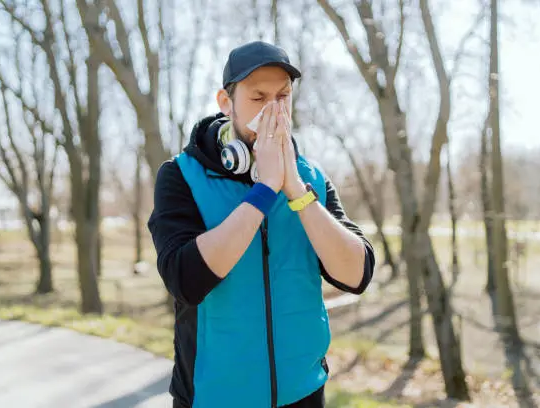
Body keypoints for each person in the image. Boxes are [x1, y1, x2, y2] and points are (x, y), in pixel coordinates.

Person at [148, 41, 376, 408]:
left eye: (282, 97)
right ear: (226, 102)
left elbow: (357, 274)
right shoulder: (180, 176)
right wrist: (264, 190)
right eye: (258, 98)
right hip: (214, 397)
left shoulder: (311, 179)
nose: (273, 110)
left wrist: (295, 191)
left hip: (303, 393)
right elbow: (185, 280)